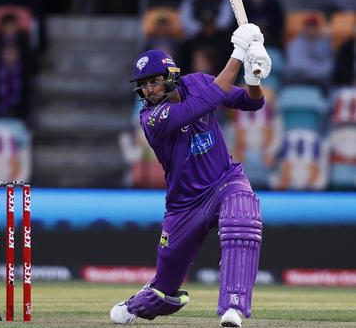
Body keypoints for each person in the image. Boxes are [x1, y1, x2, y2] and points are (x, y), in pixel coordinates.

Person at [109, 23, 272, 327]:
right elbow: (206, 103)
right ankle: (136, 304)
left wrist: (254, 76)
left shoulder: (197, 82)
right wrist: (238, 53)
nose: (148, 90)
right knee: (164, 292)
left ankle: (233, 307)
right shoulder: (151, 119)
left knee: (243, 213)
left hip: (224, 180)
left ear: (171, 77)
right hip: (184, 205)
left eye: (154, 82)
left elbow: (253, 102)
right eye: (143, 84)